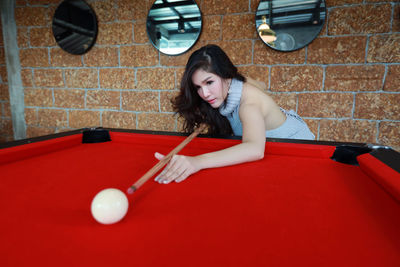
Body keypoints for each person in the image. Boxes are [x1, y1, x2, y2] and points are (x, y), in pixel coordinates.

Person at [154, 44, 314, 184]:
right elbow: (262, 85)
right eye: (198, 87)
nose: (205, 93)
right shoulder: (236, 82)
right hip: (274, 145)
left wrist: (197, 162)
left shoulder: (249, 105)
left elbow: (255, 150)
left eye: (209, 82)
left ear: (226, 74)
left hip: (300, 149)